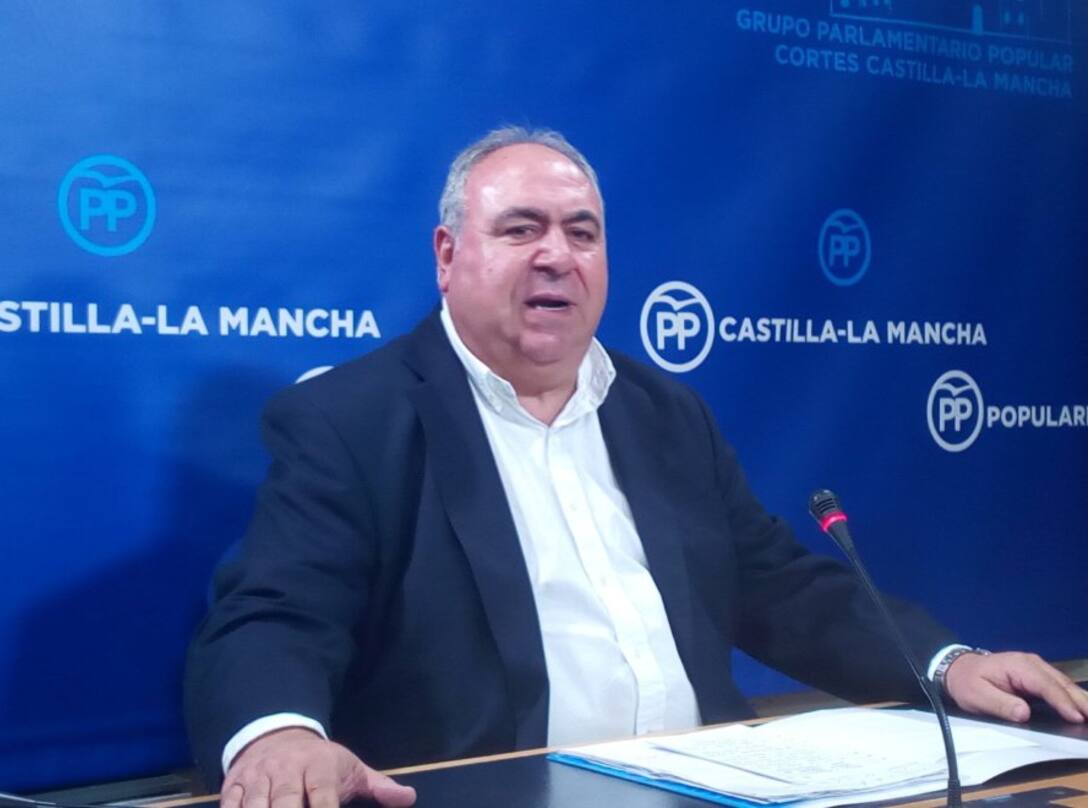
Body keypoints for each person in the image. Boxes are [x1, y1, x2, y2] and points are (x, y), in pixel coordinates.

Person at [184, 127, 1088, 808]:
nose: (557, 255)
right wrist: (279, 736)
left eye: (582, 232)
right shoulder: (352, 420)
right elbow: (277, 613)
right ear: (449, 256)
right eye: (521, 229)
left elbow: (778, 587)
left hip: (715, 785)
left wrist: (944, 663)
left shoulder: (663, 413)